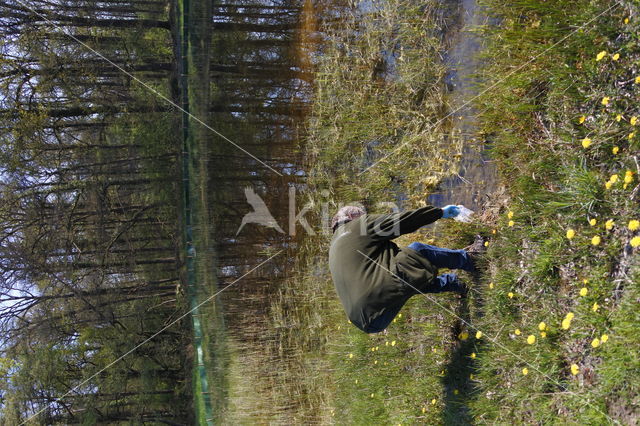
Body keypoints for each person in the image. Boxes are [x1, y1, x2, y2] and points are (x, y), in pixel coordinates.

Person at [328, 204, 483, 334]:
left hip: (371, 323)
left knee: (403, 275)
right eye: (364, 215)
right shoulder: (357, 226)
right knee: (418, 251)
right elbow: (402, 221)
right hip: (375, 300)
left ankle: (456, 283)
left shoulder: (334, 249)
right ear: (353, 216)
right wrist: (440, 212)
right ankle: (473, 259)